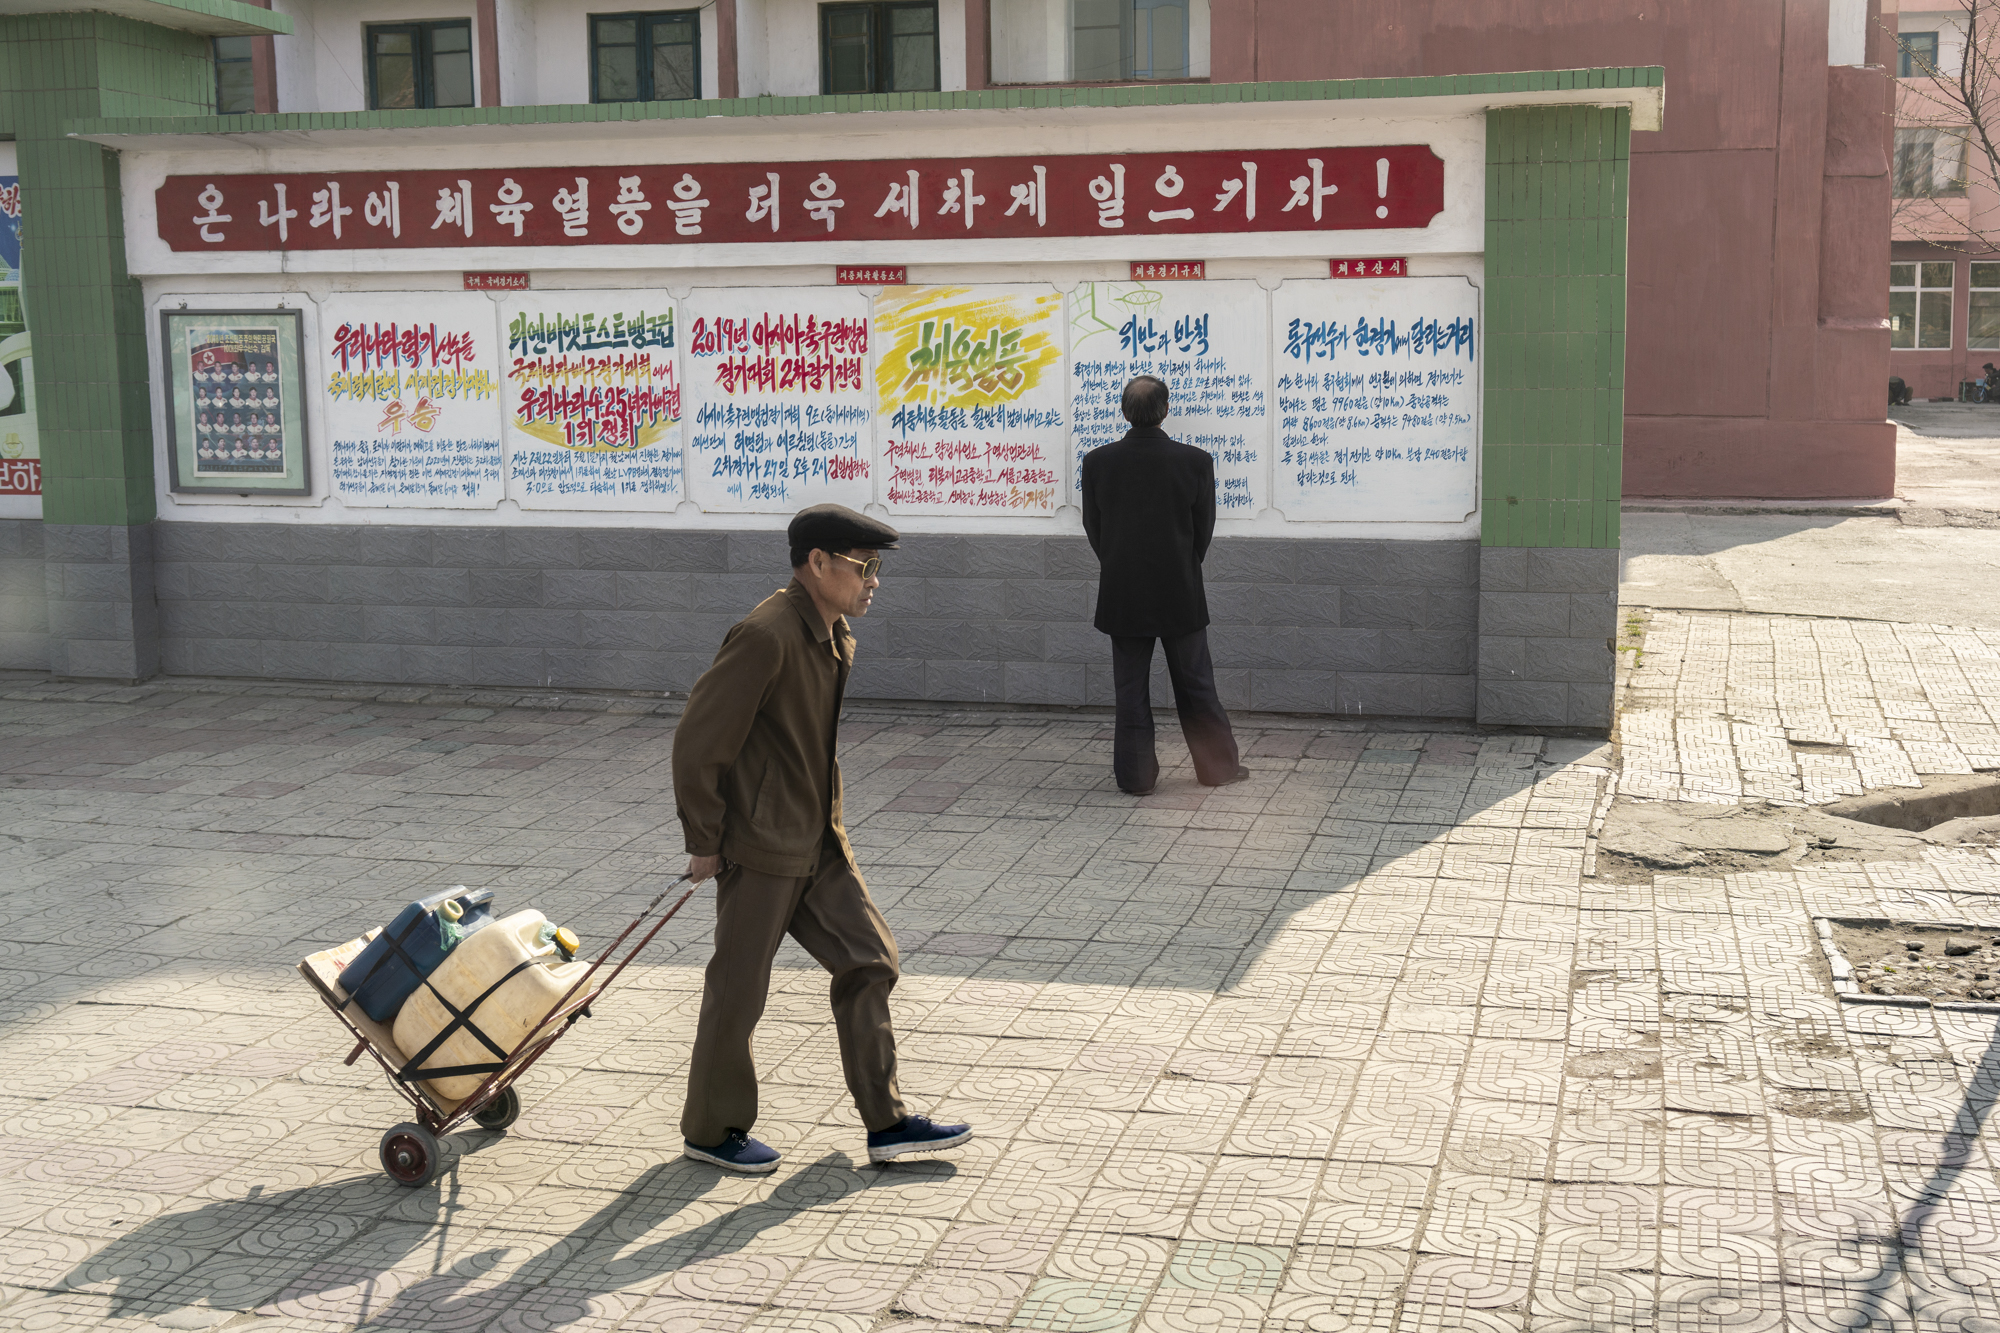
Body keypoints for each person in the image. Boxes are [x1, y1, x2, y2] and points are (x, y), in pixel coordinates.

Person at [671, 503, 971, 1174]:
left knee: (870, 959)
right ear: (818, 564)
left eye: (877, 569)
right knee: (739, 987)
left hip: (819, 840)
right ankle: (711, 1128)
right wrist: (705, 838)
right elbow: (697, 743)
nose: (874, 582)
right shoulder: (766, 634)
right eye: (864, 567)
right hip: (761, 845)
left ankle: (888, 1123)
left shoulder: (829, 634)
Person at [1080, 375, 1248, 796]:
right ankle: (1217, 769)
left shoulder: (1099, 462)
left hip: (1123, 590)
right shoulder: (1194, 461)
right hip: (1180, 587)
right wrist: (1183, 566)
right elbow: (1202, 528)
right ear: (1166, 409)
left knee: (1130, 687)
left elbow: (1093, 525)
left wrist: (1118, 563)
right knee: (1195, 683)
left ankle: (1135, 779)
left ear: (1123, 411)